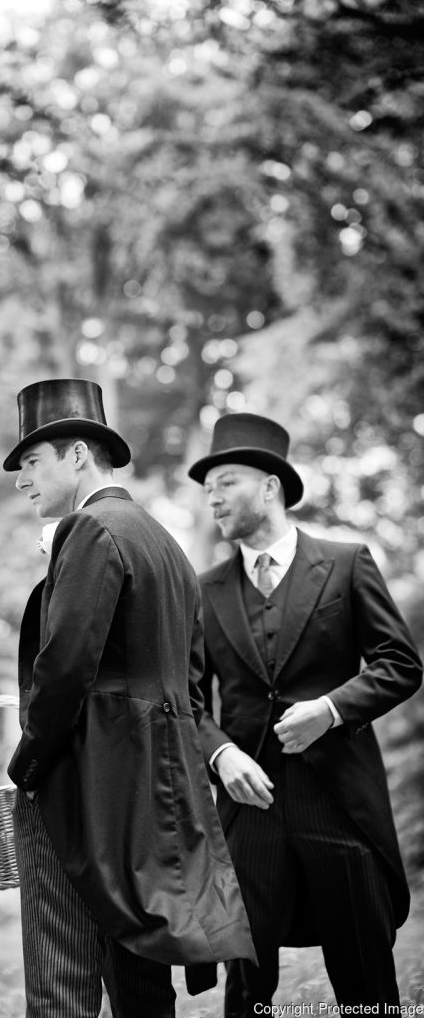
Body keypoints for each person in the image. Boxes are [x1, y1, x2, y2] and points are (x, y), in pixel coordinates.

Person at [3, 379, 255, 1018]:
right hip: (160, 789)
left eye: (31, 461)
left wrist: (27, 765)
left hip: (91, 784)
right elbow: (190, 684)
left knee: (63, 980)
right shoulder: (164, 541)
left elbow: (65, 667)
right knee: (140, 976)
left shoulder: (91, 529)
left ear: (77, 455)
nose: (21, 480)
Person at [188, 411, 423, 1014]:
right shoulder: (203, 590)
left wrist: (331, 708)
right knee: (248, 989)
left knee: (366, 977)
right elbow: (187, 699)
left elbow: (401, 663)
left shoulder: (347, 563)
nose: (213, 497)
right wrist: (221, 754)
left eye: (226, 482)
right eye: (208, 487)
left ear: (270, 486)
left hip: (338, 800)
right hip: (248, 807)